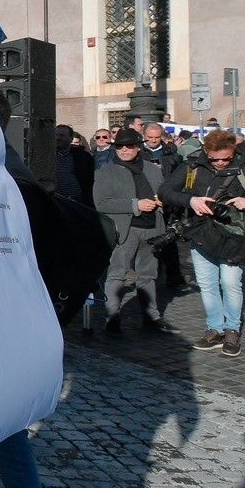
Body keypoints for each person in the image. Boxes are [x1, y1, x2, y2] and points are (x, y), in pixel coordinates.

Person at [159, 129, 245, 357]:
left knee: (231, 283)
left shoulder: (244, 165)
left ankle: (232, 329)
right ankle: (215, 328)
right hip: (201, 231)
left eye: (227, 158)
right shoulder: (192, 165)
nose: (222, 163)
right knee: (207, 283)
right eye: (216, 158)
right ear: (206, 152)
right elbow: (165, 191)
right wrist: (191, 200)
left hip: (233, 234)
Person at [94, 128, 176, 335]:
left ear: (138, 147)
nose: (124, 150)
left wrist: (162, 202)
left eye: (129, 146)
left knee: (148, 274)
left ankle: (151, 316)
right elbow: (102, 203)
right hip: (125, 230)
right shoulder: (105, 172)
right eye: (120, 146)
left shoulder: (153, 169)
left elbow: (163, 194)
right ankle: (112, 316)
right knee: (117, 274)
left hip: (152, 228)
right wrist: (135, 204)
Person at [141, 122, 187, 289]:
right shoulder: (139, 152)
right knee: (147, 237)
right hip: (146, 197)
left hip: (166, 198)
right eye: (150, 137)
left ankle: (174, 275)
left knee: (169, 239)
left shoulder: (171, 153)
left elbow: (179, 176)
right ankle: (150, 273)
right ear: (144, 137)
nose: (153, 140)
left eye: (157, 137)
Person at [53, 124, 94, 206]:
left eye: (62, 135)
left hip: (79, 204)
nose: (58, 138)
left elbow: (90, 180)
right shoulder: (46, 157)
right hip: (55, 203)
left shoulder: (83, 157)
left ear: (71, 138)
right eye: (56, 135)